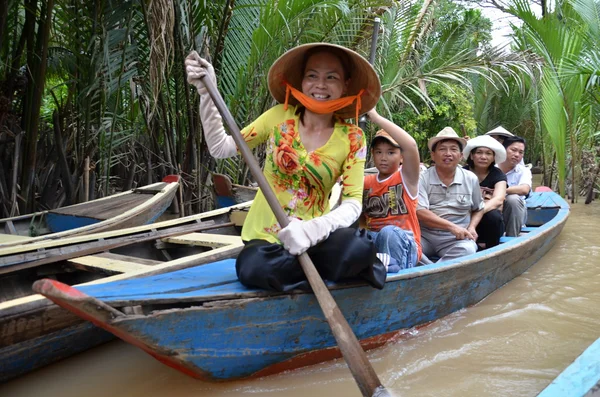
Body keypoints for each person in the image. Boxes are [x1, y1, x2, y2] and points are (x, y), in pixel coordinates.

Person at [185, 43, 385, 292]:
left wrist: (313, 230)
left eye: (331, 77)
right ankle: (310, 274)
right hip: (267, 240)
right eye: (312, 75)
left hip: (315, 239)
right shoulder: (279, 117)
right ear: (301, 81)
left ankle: (300, 272)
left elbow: (354, 202)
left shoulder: (353, 137)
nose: (320, 85)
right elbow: (221, 148)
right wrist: (207, 93)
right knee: (254, 268)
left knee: (358, 249)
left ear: (346, 84)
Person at [362, 108, 421, 271]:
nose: (383, 157)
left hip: (403, 243)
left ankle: (394, 276)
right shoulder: (365, 182)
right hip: (376, 243)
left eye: (390, 152)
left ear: (401, 156)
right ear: (372, 154)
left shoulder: (407, 178)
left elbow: (411, 146)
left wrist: (376, 117)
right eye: (378, 152)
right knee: (356, 237)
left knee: (388, 233)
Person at [417, 127, 484, 262]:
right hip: (425, 236)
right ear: (433, 155)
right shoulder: (421, 178)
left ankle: (428, 270)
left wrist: (471, 227)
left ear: (460, 156)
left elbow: (479, 208)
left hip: (456, 239)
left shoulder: (470, 178)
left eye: (453, 149)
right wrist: (451, 227)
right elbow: (420, 211)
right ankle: (435, 269)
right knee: (406, 246)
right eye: (442, 149)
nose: (448, 154)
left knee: (468, 250)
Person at [462, 135, 507, 249]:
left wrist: (478, 212)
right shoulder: (462, 172)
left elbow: (499, 198)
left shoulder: (498, 174)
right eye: (479, 152)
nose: (483, 157)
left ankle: (492, 250)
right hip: (464, 215)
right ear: (472, 156)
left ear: (493, 158)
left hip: (488, 220)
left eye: (488, 153)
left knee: (494, 216)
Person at [498, 136, 532, 237]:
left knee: (513, 199)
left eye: (521, 152)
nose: (517, 155)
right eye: (513, 150)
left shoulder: (523, 171)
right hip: (494, 207)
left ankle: (512, 238)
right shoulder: (492, 168)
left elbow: (524, 189)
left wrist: (499, 190)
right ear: (503, 150)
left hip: (517, 211)